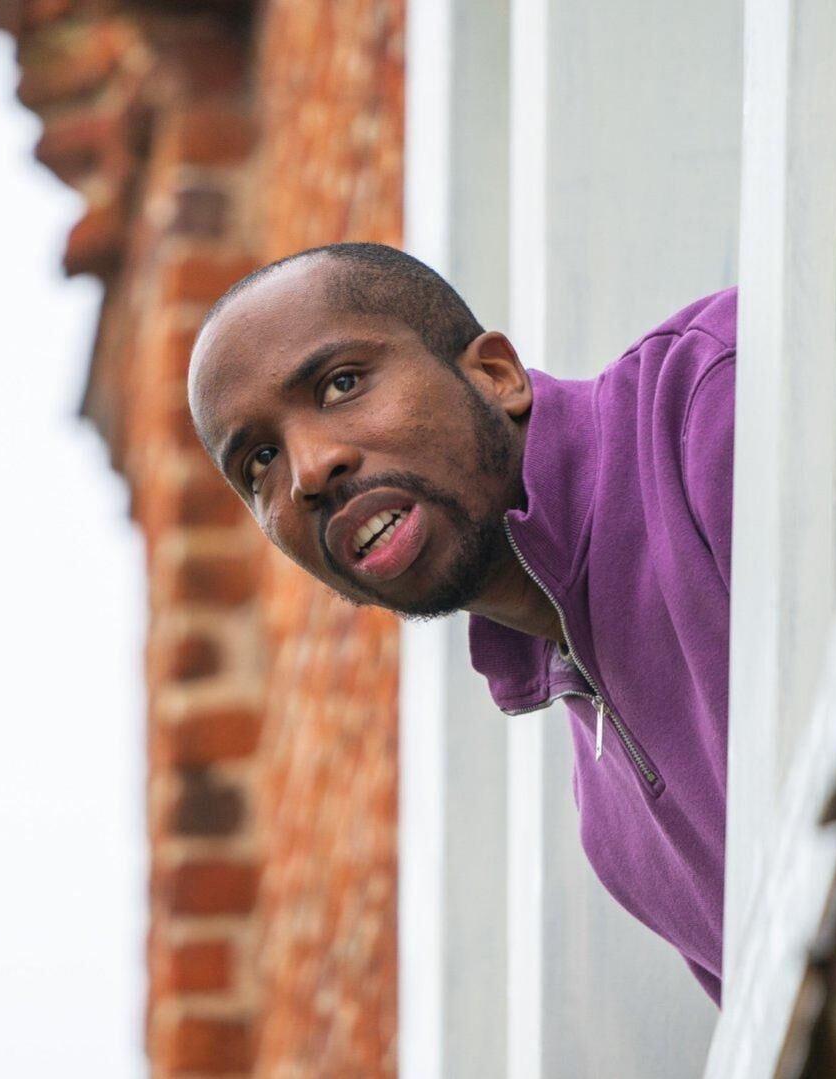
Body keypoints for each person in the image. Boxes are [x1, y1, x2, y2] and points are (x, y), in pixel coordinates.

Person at [187, 242, 733, 1001]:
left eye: (341, 383)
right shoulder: (611, 824)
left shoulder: (708, 397)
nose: (309, 470)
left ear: (495, 375)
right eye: (259, 462)